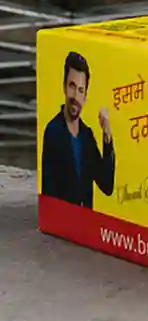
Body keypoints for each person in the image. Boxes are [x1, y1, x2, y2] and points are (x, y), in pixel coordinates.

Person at [41, 51, 115, 209]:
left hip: (85, 226)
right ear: (64, 87)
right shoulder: (53, 131)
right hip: (61, 225)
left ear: (85, 96)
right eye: (72, 86)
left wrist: (107, 136)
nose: (75, 96)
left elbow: (107, 185)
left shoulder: (87, 136)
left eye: (81, 90)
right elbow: (48, 192)